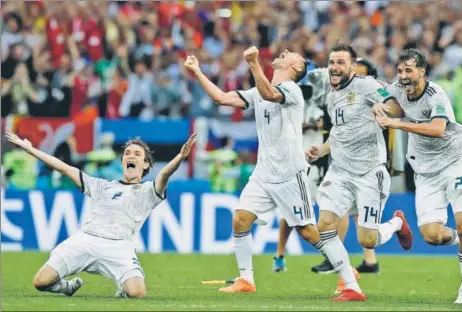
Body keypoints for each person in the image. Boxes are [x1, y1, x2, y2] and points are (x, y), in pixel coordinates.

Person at [184, 46, 366, 301]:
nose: (286, 51)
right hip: (263, 174)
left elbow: (269, 93)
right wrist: (197, 72)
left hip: (290, 175)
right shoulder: (259, 91)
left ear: (296, 68)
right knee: (240, 220)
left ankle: (349, 278)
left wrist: (253, 63)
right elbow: (222, 99)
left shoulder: (292, 91)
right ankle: (246, 279)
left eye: (292, 54)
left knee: (308, 232)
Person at [5, 131, 196, 298]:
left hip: (119, 246)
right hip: (86, 240)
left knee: (137, 293)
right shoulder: (101, 186)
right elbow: (63, 167)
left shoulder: (148, 191)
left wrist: (180, 156)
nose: (131, 156)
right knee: (40, 282)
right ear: (122, 161)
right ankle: (68, 287)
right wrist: (31, 150)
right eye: (127, 153)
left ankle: (123, 287)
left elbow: (164, 175)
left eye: (138, 154)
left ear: (145, 164)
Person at [305, 44, 414, 298]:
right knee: (325, 226)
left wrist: (383, 109)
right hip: (340, 172)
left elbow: (396, 107)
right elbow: (338, 132)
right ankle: (351, 286)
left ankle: (397, 222)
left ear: (353, 67)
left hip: (368, 172)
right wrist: (321, 150)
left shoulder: (366, 85)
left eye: (341, 62)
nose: (334, 66)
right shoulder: (332, 96)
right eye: (332, 62)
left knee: (368, 240)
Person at [273, 58, 385, 275]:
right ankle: (282, 255)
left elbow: (344, 123)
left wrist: (314, 125)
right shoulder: (306, 94)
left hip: (333, 156)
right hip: (307, 155)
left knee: (340, 206)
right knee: (294, 205)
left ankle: (337, 258)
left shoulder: (346, 94)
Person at [374, 48, 462, 304]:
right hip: (425, 171)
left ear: (421, 72)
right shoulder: (399, 87)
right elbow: (382, 92)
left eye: (409, 70)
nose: (403, 76)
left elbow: (437, 129)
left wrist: (397, 123)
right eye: (400, 70)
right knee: (432, 236)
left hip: (455, 162)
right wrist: (379, 103)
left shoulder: (436, 95)